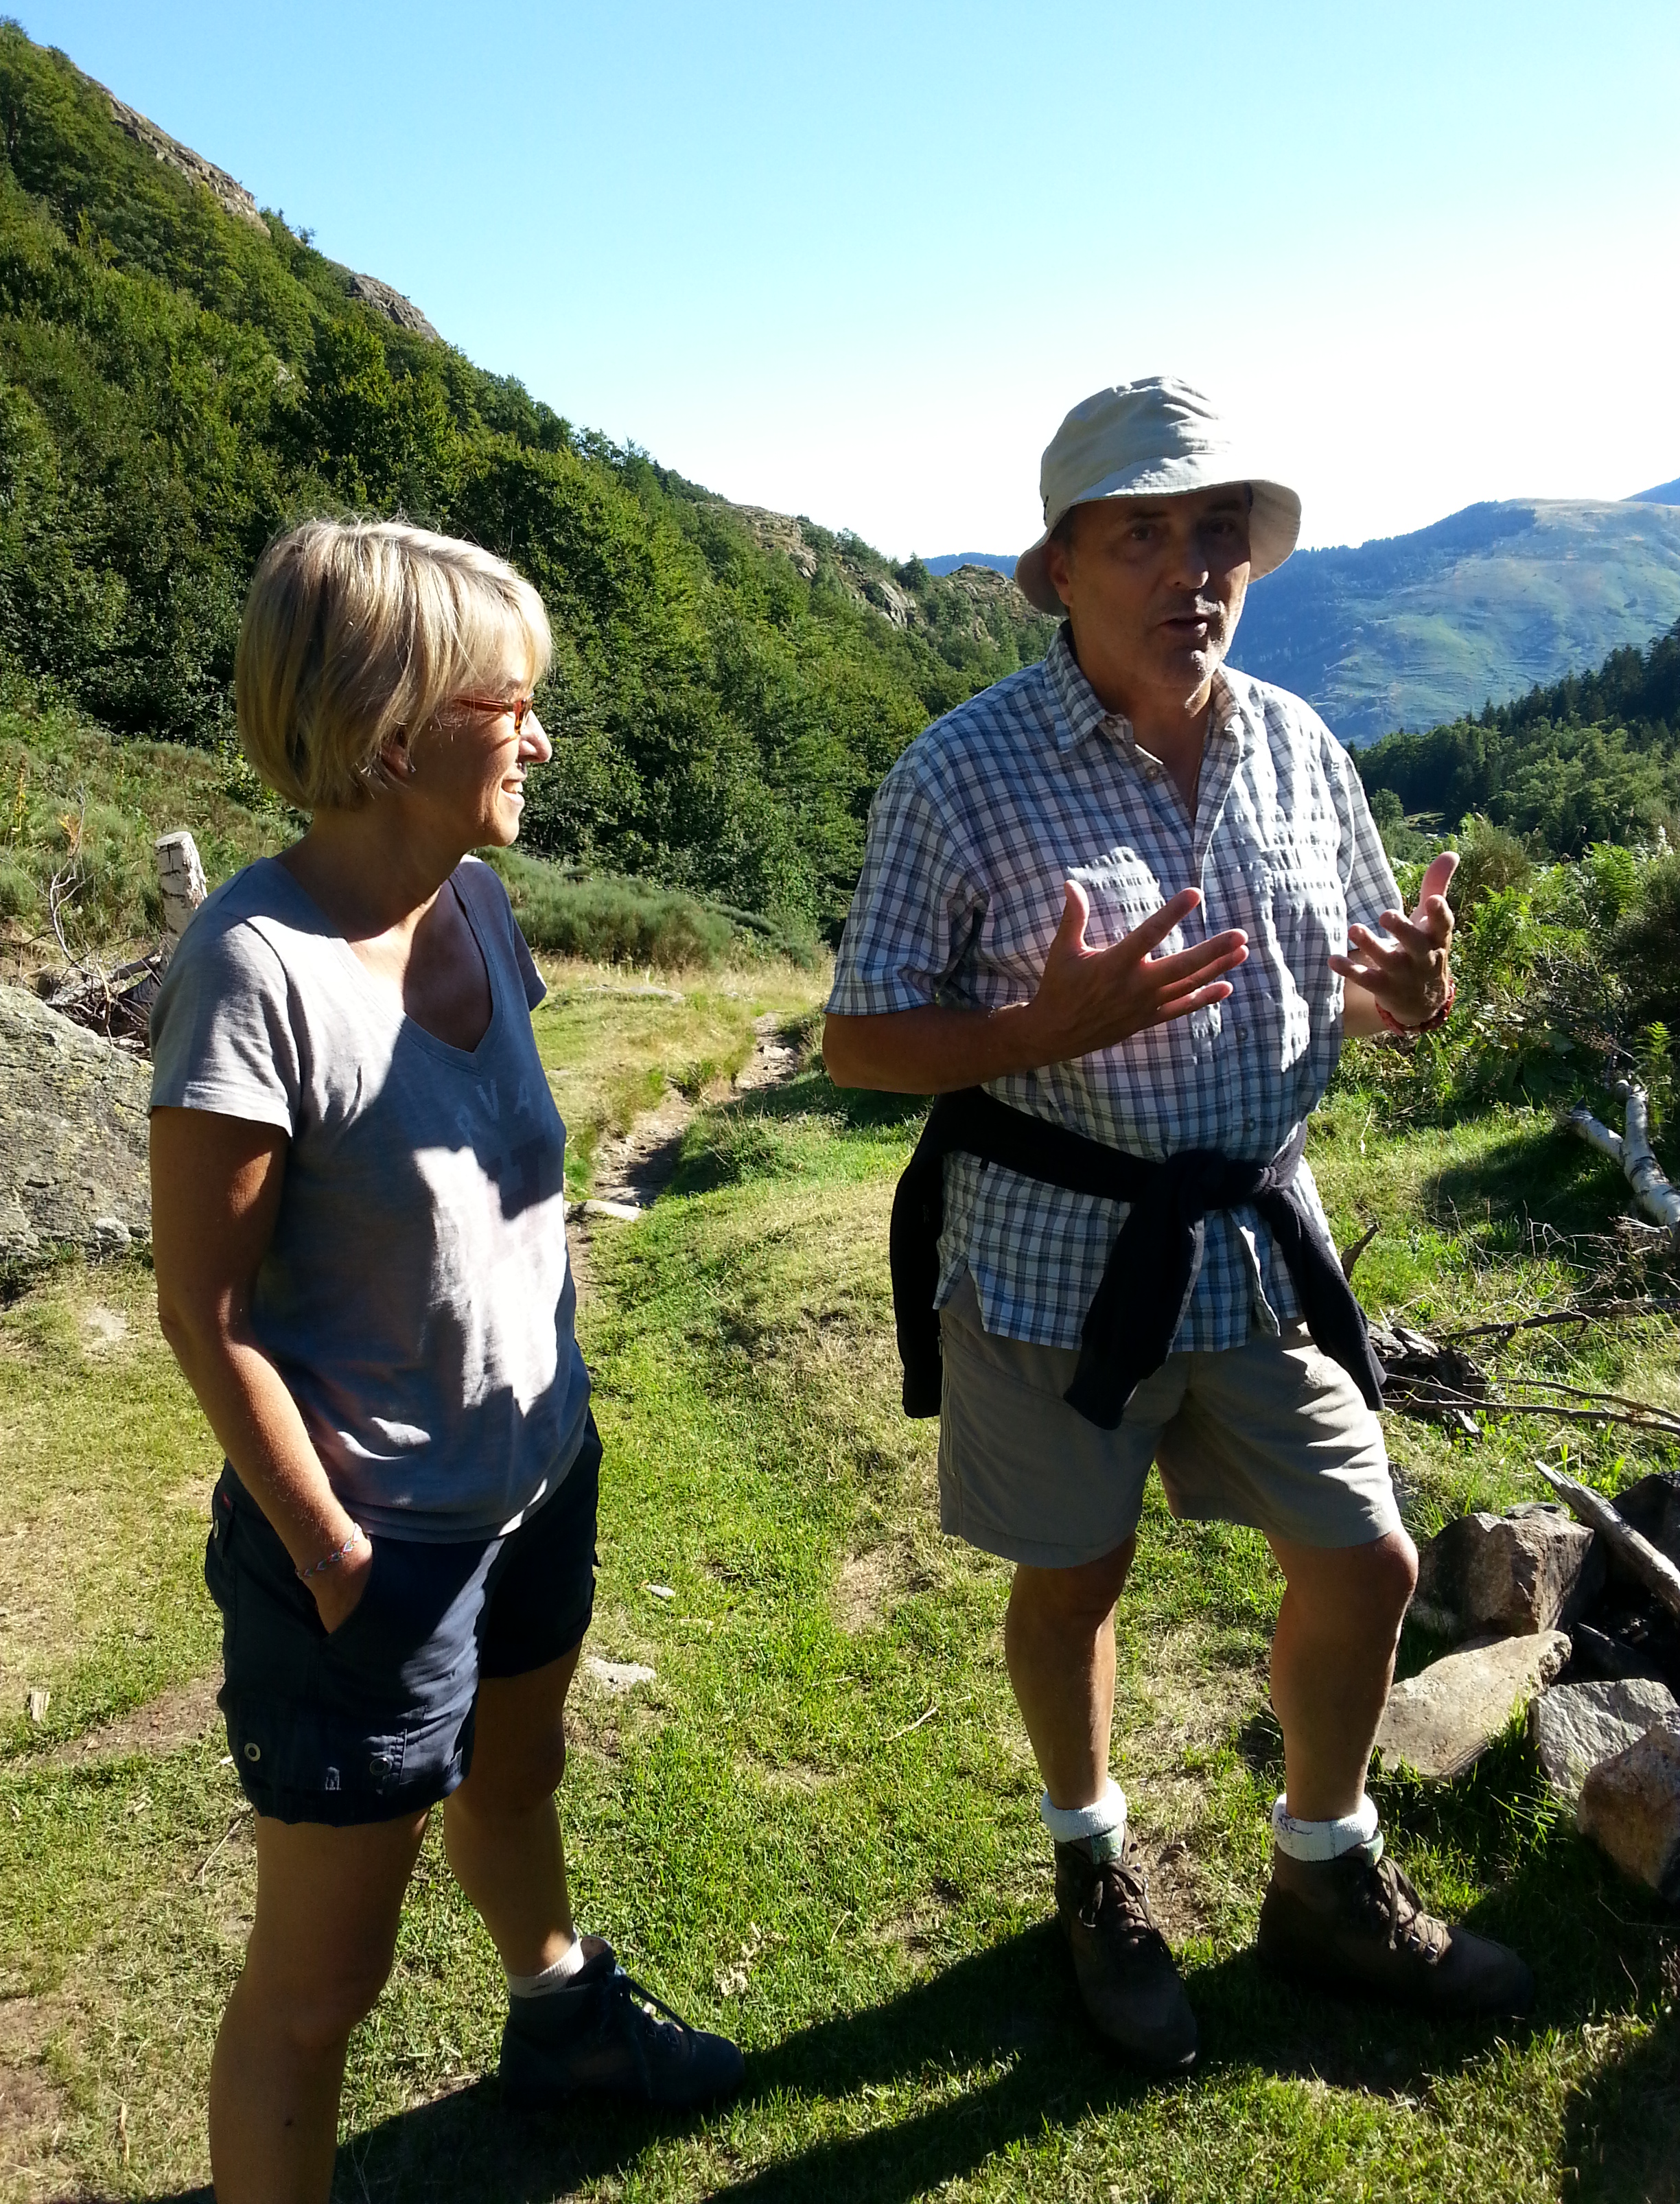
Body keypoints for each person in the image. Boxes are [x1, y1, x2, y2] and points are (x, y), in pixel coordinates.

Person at [823, 380, 1532, 2074]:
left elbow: (1359, 989)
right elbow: (859, 1039)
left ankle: (1323, 1873)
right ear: (1063, 567)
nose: (1190, 568)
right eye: (1142, 533)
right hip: (1057, 1261)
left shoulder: (1299, 747)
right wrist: (1032, 1030)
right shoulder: (962, 774)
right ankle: (1092, 1867)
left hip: (1259, 1242)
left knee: (1368, 1563)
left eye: (1219, 532)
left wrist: (1413, 996)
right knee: (1078, 1577)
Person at [149, 521, 743, 2204]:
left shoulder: (473, 901)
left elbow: (495, 1191)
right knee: (320, 1984)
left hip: (534, 1484)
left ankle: (560, 2021)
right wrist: (335, 1558)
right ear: (394, 731)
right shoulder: (255, 971)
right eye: (514, 705)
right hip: (378, 1545)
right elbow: (206, 1314)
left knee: (518, 1776)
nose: (542, 740)